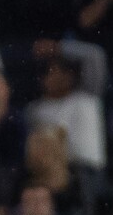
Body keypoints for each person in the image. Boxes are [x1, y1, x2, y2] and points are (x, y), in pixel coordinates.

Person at [26, 55, 105, 201]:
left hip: (87, 169)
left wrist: (58, 48)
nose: (61, 78)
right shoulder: (37, 109)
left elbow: (95, 55)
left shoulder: (87, 97)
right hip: (53, 170)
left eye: (64, 72)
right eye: (51, 73)